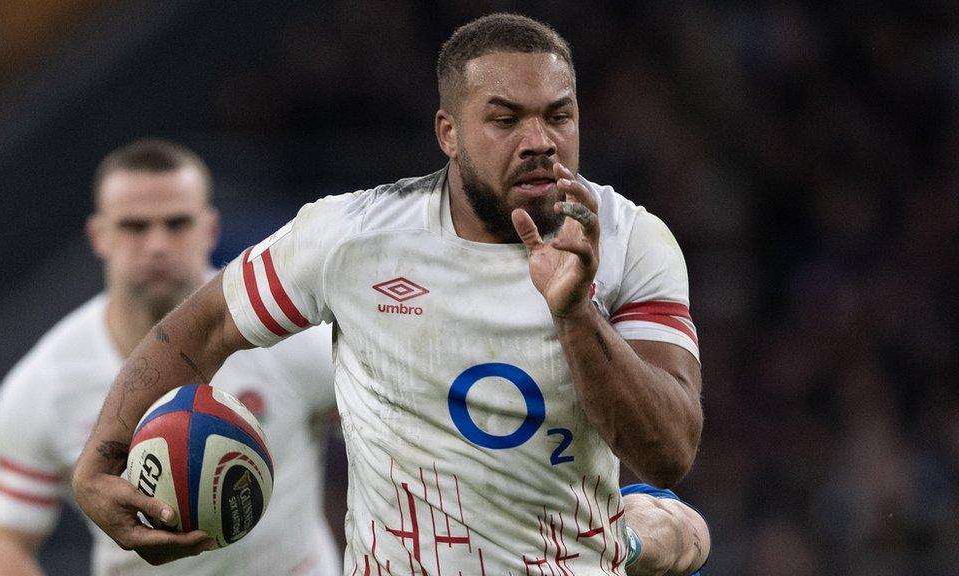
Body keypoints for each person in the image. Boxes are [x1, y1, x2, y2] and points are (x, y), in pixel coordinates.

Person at [72, 13, 704, 575]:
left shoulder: (629, 242)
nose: (539, 140)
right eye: (506, 119)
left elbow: (669, 453)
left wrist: (575, 318)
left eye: (558, 116)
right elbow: (198, 330)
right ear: (448, 132)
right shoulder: (353, 238)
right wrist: (100, 462)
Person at [0, 139, 342, 576]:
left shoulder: (291, 341)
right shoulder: (45, 384)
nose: (157, 244)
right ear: (99, 236)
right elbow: (1, 542)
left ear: (210, 229)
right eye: (134, 226)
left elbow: (391, 434)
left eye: (177, 223)